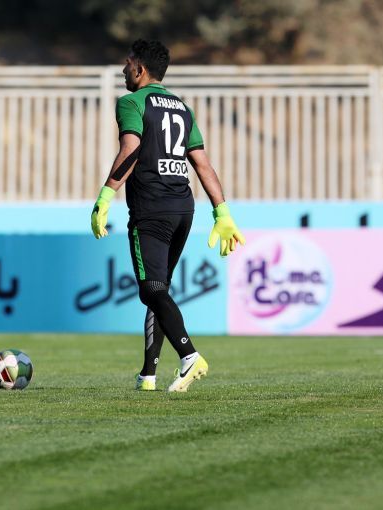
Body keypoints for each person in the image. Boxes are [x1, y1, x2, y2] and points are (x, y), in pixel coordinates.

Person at [91, 39, 245, 392]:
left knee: (151, 290)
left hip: (151, 208)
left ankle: (189, 356)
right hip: (183, 208)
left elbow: (130, 149)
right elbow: (202, 164)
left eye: (128, 63)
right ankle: (148, 375)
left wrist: (105, 194)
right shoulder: (182, 108)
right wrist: (222, 212)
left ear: (140, 69)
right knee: (159, 289)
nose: (124, 69)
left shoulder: (131, 102)